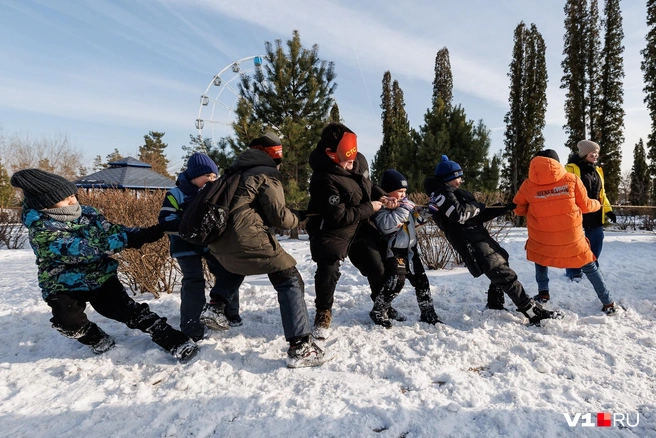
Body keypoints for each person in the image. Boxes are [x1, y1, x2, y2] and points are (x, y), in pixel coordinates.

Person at [10, 169, 199, 361]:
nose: (72, 201)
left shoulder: (88, 214)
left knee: (128, 310)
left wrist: (144, 233)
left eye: (72, 195)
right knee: (68, 322)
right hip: (63, 284)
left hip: (100, 277)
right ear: (45, 205)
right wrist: (127, 239)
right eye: (64, 199)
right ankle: (96, 338)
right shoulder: (41, 230)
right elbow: (80, 249)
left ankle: (174, 339)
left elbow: (111, 230)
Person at [197, 132, 328, 368]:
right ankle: (301, 346)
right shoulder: (266, 173)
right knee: (290, 279)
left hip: (219, 241)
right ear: (274, 156)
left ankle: (216, 306)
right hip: (247, 236)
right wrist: (299, 216)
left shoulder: (233, 172)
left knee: (235, 266)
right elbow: (280, 218)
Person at [424, 155, 562, 325]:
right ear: (448, 178)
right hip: (470, 242)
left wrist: (503, 208)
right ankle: (532, 312)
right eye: (457, 177)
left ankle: (495, 303)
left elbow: (477, 216)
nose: (460, 181)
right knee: (503, 274)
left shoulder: (452, 192)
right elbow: (459, 215)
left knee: (502, 260)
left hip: (477, 236)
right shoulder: (442, 194)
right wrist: (477, 206)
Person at [306, 122, 397, 339]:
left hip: (362, 223)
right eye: (346, 160)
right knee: (329, 269)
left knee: (378, 266)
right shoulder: (322, 178)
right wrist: (370, 207)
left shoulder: (359, 160)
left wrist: (381, 195)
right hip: (332, 228)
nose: (351, 163)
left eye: (353, 158)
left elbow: (367, 185)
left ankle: (380, 304)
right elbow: (338, 216)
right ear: (330, 153)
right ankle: (323, 312)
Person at [513, 149, 617, 315]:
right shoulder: (571, 179)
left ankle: (543, 293)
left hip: (541, 236)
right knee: (589, 266)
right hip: (571, 238)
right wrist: (598, 204)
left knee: (541, 258)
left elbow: (518, 210)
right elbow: (586, 206)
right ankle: (608, 303)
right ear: (556, 162)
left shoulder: (528, 185)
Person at [158, 152, 241, 342]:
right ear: (194, 175)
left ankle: (230, 313)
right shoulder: (176, 194)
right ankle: (192, 326)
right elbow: (165, 220)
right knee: (194, 281)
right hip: (185, 246)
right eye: (207, 176)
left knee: (226, 271)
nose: (211, 180)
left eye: (214, 176)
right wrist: (188, 228)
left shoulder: (214, 192)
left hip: (208, 245)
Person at [371, 169, 442, 327]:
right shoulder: (381, 209)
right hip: (395, 251)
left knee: (421, 281)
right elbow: (387, 227)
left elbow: (414, 222)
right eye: (400, 192)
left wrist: (427, 212)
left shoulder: (404, 207)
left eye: (405, 191)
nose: (403, 195)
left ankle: (428, 312)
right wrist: (404, 209)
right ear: (388, 192)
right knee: (397, 282)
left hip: (411, 250)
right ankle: (379, 309)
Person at [561, 140, 616, 284]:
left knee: (597, 239)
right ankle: (574, 271)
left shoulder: (597, 171)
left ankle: (591, 266)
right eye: (593, 152)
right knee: (574, 244)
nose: (596, 155)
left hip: (595, 212)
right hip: (576, 213)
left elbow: (601, 194)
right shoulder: (570, 169)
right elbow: (565, 191)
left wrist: (608, 210)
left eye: (597, 152)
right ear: (585, 153)